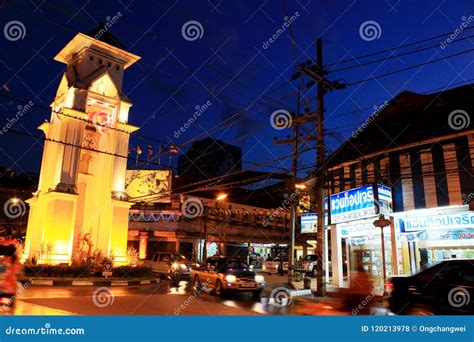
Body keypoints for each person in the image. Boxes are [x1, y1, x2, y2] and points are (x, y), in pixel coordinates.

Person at [0, 243, 22, 311]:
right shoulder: (17, 262)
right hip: (11, 291)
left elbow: (1, 274)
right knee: (10, 311)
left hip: (2, 289)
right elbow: (21, 275)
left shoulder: (3, 261)